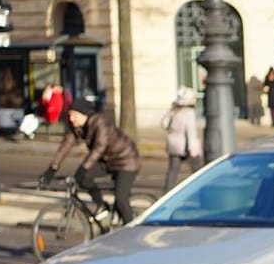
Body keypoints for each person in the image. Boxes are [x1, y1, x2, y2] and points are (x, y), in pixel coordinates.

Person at [41, 95, 140, 224]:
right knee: (82, 177)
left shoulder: (100, 122)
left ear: (84, 115)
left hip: (126, 161)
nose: (71, 118)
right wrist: (52, 168)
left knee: (121, 199)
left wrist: (84, 167)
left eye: (74, 115)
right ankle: (102, 205)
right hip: (108, 160)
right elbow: (65, 146)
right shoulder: (77, 127)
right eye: (70, 115)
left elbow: (100, 147)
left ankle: (131, 231)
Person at [161, 87, 203, 191]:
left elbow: (164, 124)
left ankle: (166, 193)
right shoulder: (189, 113)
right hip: (186, 146)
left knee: (172, 172)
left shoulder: (173, 111)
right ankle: (201, 190)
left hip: (173, 145)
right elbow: (190, 131)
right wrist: (192, 149)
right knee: (198, 171)